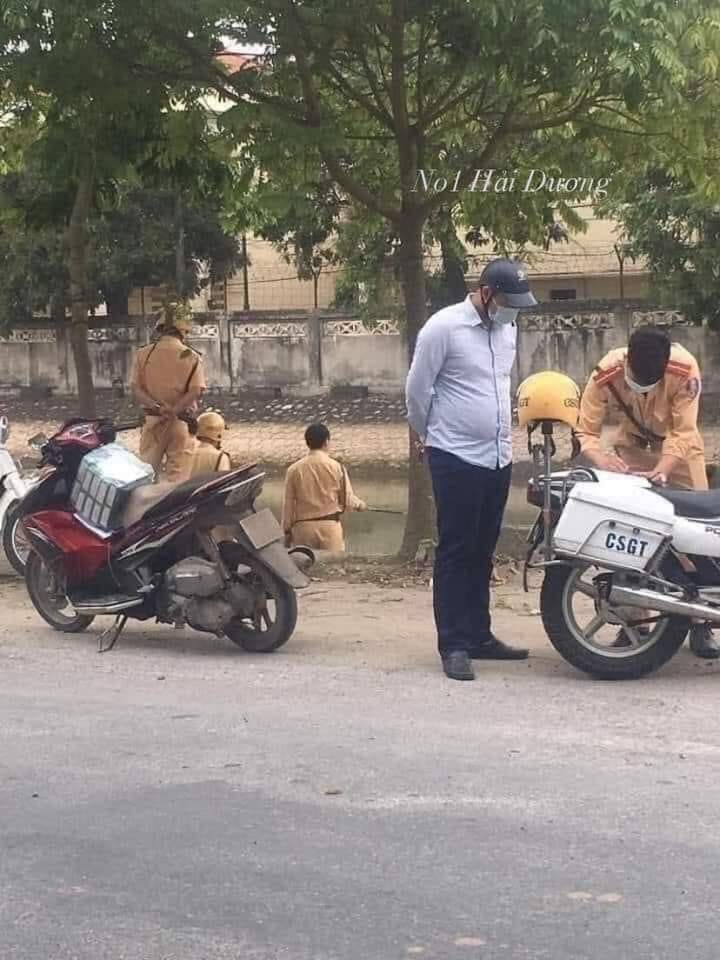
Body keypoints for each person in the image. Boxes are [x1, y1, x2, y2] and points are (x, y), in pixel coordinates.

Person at [406, 258, 538, 681]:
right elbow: (417, 390)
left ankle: (479, 635)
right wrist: (431, 435)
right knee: (456, 550)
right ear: (486, 293)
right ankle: (454, 644)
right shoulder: (443, 328)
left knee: (483, 549)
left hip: (497, 456)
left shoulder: (506, 330)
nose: (512, 311)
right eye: (508, 302)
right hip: (455, 456)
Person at [577, 325, 718, 658]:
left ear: (665, 364)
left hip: (680, 456)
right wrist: (603, 460)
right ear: (627, 358)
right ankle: (634, 622)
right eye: (636, 377)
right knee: (631, 534)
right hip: (632, 449)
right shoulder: (607, 371)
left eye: (650, 380)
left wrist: (664, 469)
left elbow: (684, 432)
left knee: (697, 535)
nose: (641, 385)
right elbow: (586, 430)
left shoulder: (684, 370)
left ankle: (702, 623)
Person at [131, 301, 205, 484]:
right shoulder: (192, 356)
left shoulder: (143, 354)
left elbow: (136, 389)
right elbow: (196, 390)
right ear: (183, 329)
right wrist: (174, 410)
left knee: (145, 477)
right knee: (177, 480)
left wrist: (158, 407)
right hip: (181, 422)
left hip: (153, 422)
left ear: (161, 327)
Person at [282, 423, 367, 552]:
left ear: (307, 442)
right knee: (333, 564)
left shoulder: (293, 470)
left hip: (303, 529)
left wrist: (287, 530)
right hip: (330, 527)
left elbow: (288, 505)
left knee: (305, 563)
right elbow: (347, 500)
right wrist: (360, 505)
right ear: (326, 441)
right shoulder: (337, 467)